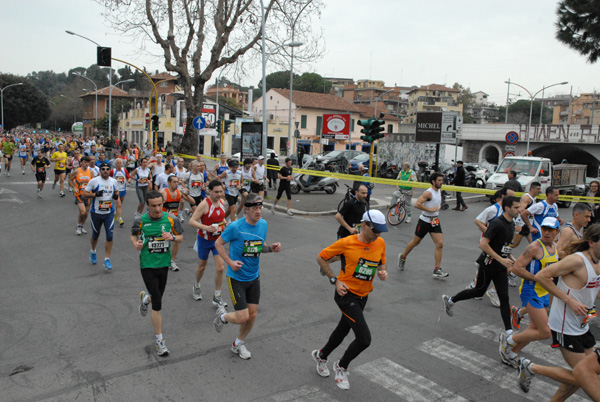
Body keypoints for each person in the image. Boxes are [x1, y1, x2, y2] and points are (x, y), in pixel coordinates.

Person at [517, 225, 600, 400]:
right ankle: (530, 367)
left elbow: (593, 290)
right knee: (583, 377)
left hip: (582, 325)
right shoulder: (577, 261)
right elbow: (542, 276)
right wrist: (570, 300)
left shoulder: (597, 261)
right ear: (592, 242)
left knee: (584, 376)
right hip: (565, 326)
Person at [312, 210, 388, 390]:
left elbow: (381, 262)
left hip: (364, 296)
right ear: (364, 225)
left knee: (342, 330)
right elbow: (321, 257)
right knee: (364, 339)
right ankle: (341, 366)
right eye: (375, 230)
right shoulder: (346, 243)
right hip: (346, 295)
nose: (377, 235)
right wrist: (334, 280)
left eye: (380, 231)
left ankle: (321, 356)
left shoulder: (380, 243)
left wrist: (382, 271)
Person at [213, 193, 282, 360]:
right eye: (255, 209)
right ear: (246, 209)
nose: (258, 212)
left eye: (260, 208)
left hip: (254, 276)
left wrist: (270, 248)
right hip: (236, 278)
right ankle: (222, 317)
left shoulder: (263, 224)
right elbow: (218, 244)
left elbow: (260, 247)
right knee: (242, 316)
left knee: (252, 315)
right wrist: (229, 262)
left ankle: (238, 344)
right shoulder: (235, 227)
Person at [442, 196, 520, 339]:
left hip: (500, 266)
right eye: (516, 207)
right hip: (488, 264)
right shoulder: (497, 223)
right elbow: (483, 245)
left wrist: (512, 259)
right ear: (507, 208)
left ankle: (509, 333)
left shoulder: (512, 224)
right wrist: (501, 259)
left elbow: (504, 247)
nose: (519, 210)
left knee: (504, 298)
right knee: (478, 291)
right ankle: (450, 300)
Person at [500, 217, 560, 368]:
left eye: (550, 230)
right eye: (544, 228)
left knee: (534, 329)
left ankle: (512, 354)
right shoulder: (534, 247)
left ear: (557, 232)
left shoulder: (555, 247)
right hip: (531, 290)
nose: (546, 232)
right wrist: (538, 278)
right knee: (546, 332)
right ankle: (508, 340)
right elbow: (516, 268)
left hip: (544, 292)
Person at [131, 190, 184, 357]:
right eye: (154, 206)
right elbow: (133, 235)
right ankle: (160, 341)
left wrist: (172, 238)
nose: (158, 209)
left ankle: (145, 299)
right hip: (147, 264)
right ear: (148, 205)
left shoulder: (171, 219)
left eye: (160, 205)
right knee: (158, 303)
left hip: (163, 264)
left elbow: (181, 236)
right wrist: (136, 244)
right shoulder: (141, 220)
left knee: (156, 296)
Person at [398, 172, 448, 277]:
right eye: (439, 180)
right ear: (433, 181)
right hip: (424, 221)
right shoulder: (428, 193)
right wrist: (430, 209)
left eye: (441, 180)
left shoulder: (439, 191)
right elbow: (417, 204)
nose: (441, 182)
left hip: (434, 221)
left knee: (440, 244)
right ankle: (403, 257)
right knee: (415, 242)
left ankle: (437, 270)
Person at [188, 180, 228, 307]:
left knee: (221, 267)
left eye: (221, 191)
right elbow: (192, 221)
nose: (219, 194)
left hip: (217, 241)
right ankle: (196, 285)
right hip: (204, 240)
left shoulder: (222, 202)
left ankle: (217, 296)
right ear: (209, 191)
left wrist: (224, 222)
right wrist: (205, 227)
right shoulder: (204, 204)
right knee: (202, 266)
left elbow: (221, 217)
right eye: (216, 192)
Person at [517, 348, 600, 400]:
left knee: (581, 380)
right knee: (582, 379)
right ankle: (531, 368)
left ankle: (529, 367)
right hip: (568, 329)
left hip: (582, 328)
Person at [82, 161, 119, 270]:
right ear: (100, 170)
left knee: (109, 236)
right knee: (95, 235)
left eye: (107, 169)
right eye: (103, 169)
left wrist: (116, 196)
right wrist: (94, 194)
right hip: (96, 213)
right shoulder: (94, 181)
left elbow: (116, 191)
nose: (105, 171)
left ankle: (107, 259)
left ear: (110, 171)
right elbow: (84, 194)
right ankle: (93, 251)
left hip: (109, 213)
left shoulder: (113, 181)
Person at [160, 175, 195, 271]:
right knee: (163, 240)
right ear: (169, 183)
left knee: (176, 241)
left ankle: (172, 261)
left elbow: (193, 201)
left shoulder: (179, 192)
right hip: (164, 220)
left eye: (177, 182)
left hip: (175, 221)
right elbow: (157, 207)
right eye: (174, 182)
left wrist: (186, 194)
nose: (176, 184)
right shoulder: (164, 193)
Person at [511, 182, 542, 249]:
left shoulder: (533, 198)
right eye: (538, 189)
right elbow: (520, 210)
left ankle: (538, 258)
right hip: (522, 224)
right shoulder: (527, 198)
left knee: (535, 245)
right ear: (532, 189)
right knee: (513, 244)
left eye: (540, 189)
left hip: (528, 224)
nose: (540, 191)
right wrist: (529, 213)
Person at [69, 156, 93, 235]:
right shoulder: (77, 171)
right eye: (85, 162)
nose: (87, 164)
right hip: (79, 195)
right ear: (81, 162)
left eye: (88, 162)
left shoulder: (90, 172)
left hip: (88, 195)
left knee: (86, 213)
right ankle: (79, 226)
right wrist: (74, 187)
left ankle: (81, 225)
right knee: (82, 212)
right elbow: (70, 180)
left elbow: (93, 183)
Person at [110, 158, 131, 227]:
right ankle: (120, 219)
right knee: (119, 204)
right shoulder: (113, 171)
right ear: (115, 164)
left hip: (123, 189)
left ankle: (116, 213)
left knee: (120, 204)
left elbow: (128, 177)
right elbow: (109, 178)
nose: (119, 164)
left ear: (121, 164)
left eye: (120, 163)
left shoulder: (124, 170)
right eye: (117, 163)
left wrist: (129, 180)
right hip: (116, 190)